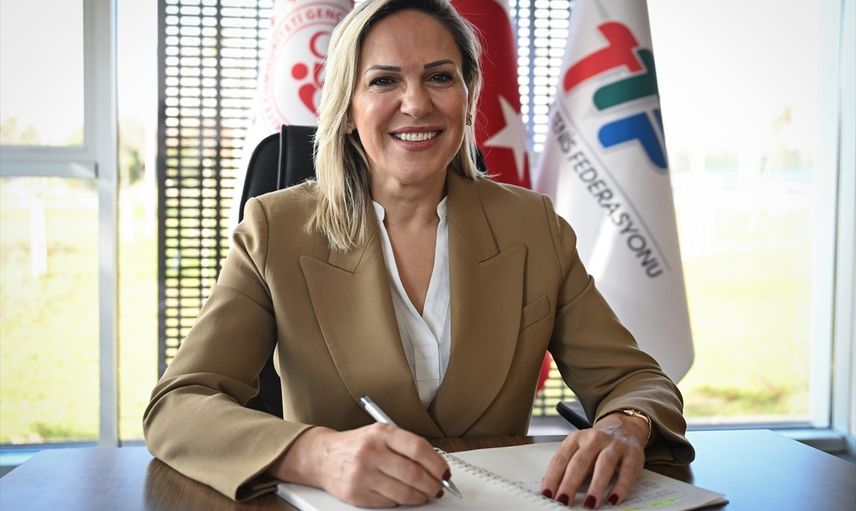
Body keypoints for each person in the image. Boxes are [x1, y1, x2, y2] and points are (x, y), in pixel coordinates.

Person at [143, 0, 694, 508]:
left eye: (440, 77)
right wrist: (315, 454)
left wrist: (625, 424)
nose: (416, 103)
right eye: (384, 80)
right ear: (347, 108)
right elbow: (178, 405)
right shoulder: (276, 230)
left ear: (468, 97)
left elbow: (637, 380)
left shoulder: (533, 227)